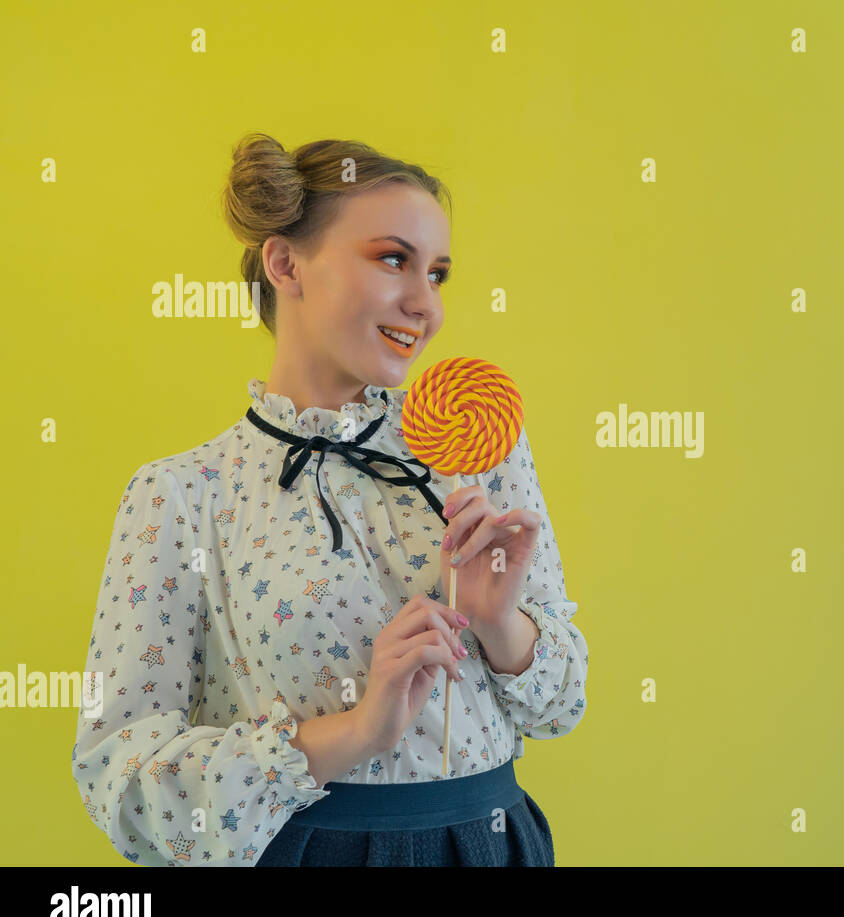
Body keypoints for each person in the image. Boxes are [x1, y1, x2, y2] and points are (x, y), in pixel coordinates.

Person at [70, 133, 589, 866]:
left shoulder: (478, 448)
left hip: (490, 843)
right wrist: (354, 732)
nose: (425, 304)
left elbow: (562, 706)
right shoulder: (182, 497)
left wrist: (502, 623)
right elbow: (119, 773)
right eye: (391, 259)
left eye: (438, 273)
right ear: (285, 264)